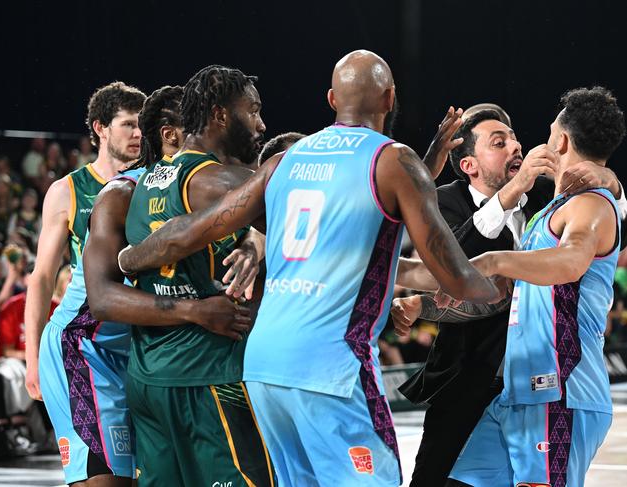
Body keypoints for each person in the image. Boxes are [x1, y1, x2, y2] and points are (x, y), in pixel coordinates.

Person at [118, 50, 502, 487]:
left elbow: (191, 231)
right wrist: (500, 288)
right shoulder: (395, 160)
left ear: (332, 99)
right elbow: (455, 277)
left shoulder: (286, 160)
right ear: (391, 97)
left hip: (263, 368)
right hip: (329, 367)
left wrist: (130, 258)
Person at [393, 104, 627, 486]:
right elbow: (455, 269)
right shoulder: (473, 204)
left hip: (558, 385)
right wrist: (378, 264)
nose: (519, 146)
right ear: (469, 164)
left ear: (562, 141)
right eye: (500, 141)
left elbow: (571, 258)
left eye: (516, 136)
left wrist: (612, 182)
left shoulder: (578, 204)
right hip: (496, 386)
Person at [119, 69, 274, 487]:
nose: (261, 123)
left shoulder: (145, 181)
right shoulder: (218, 181)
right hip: (207, 374)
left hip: (148, 375)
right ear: (221, 115)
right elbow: (313, 214)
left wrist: (251, 242)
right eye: (254, 111)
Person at [24, 81, 146, 486]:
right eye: (128, 124)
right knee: (102, 475)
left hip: (130, 346)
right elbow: (42, 278)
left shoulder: (150, 184)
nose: (138, 134)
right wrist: (31, 360)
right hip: (83, 345)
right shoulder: (68, 190)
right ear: (100, 128)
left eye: (142, 125)